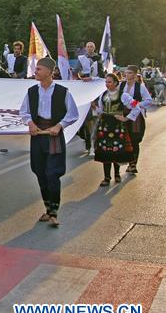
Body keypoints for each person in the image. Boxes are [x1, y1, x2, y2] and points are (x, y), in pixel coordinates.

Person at [19, 57, 79, 228]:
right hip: (38, 136)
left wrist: (59, 126)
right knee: (40, 172)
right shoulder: (32, 91)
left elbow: (73, 114)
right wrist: (30, 123)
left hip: (53, 137)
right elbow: (24, 112)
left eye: (38, 69)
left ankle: (54, 212)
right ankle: (47, 208)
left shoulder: (62, 91)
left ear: (49, 72)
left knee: (52, 174)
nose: (35, 72)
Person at [93, 73, 138, 186]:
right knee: (105, 150)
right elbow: (101, 111)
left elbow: (136, 106)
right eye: (106, 82)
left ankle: (117, 175)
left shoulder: (123, 95)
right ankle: (107, 177)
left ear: (116, 83)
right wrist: (95, 108)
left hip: (117, 126)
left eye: (109, 82)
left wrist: (126, 118)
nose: (107, 84)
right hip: (105, 126)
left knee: (117, 150)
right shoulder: (102, 95)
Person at [120, 65, 152, 174]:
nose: (126, 74)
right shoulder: (121, 85)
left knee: (134, 140)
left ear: (134, 74)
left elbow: (148, 100)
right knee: (122, 138)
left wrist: (137, 104)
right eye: (126, 72)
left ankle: (133, 164)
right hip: (122, 115)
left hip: (136, 117)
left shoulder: (140, 87)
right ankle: (125, 160)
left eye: (129, 73)